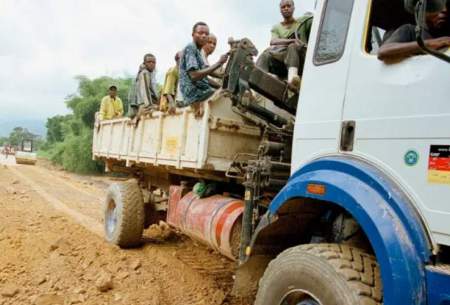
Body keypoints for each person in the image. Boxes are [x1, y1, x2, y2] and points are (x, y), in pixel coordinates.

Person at [256, 0, 313, 93]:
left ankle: (293, 80)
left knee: (292, 47)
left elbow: (313, 21)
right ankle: (255, 86)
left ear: (293, 8)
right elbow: (273, 41)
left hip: (302, 59)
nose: (286, 8)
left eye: (288, 6)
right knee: (265, 55)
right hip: (284, 62)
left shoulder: (302, 22)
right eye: (283, 7)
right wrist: (292, 40)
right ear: (280, 10)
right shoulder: (276, 28)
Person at [179, 22, 229, 116]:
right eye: (200, 33)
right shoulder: (191, 48)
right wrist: (219, 63)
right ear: (193, 34)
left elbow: (205, 76)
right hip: (194, 94)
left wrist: (221, 80)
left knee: (224, 94)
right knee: (225, 100)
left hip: (200, 90)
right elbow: (194, 75)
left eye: (206, 34)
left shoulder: (197, 51)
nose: (204, 36)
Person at [378, 0, 450, 61]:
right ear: (422, 11)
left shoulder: (442, 32)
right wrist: (437, 42)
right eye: (437, 7)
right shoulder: (409, 30)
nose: (444, 10)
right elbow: (383, 51)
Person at [129, 53, 159, 118]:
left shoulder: (146, 73)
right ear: (144, 63)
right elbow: (145, 91)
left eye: (153, 62)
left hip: (140, 105)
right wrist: (149, 106)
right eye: (149, 62)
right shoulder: (145, 73)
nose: (151, 64)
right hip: (144, 105)